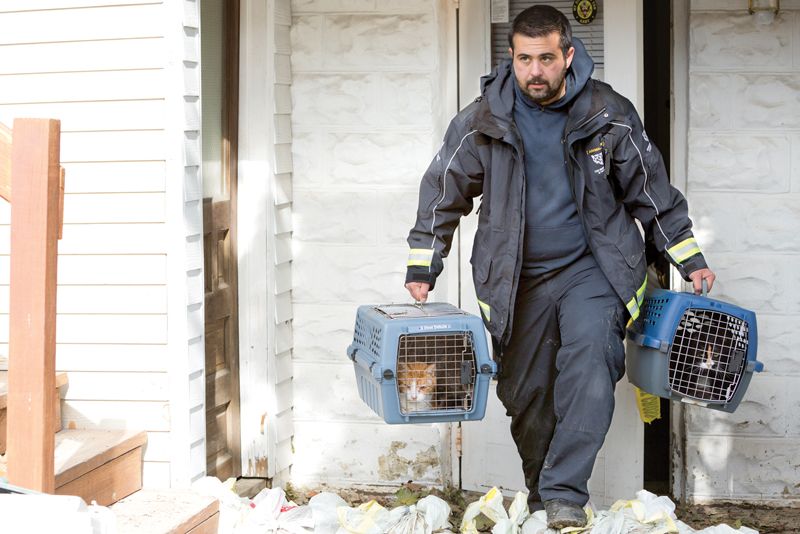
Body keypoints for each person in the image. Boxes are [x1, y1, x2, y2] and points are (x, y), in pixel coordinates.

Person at [404, 5, 715, 530]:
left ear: (568, 55)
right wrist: (424, 262)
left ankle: (566, 493)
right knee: (526, 396)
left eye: (546, 58)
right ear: (512, 57)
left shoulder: (606, 111)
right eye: (525, 59)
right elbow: (443, 191)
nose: (535, 72)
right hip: (514, 279)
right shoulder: (483, 118)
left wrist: (687, 255)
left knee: (591, 366)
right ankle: (547, 498)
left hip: (592, 270)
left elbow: (649, 186)